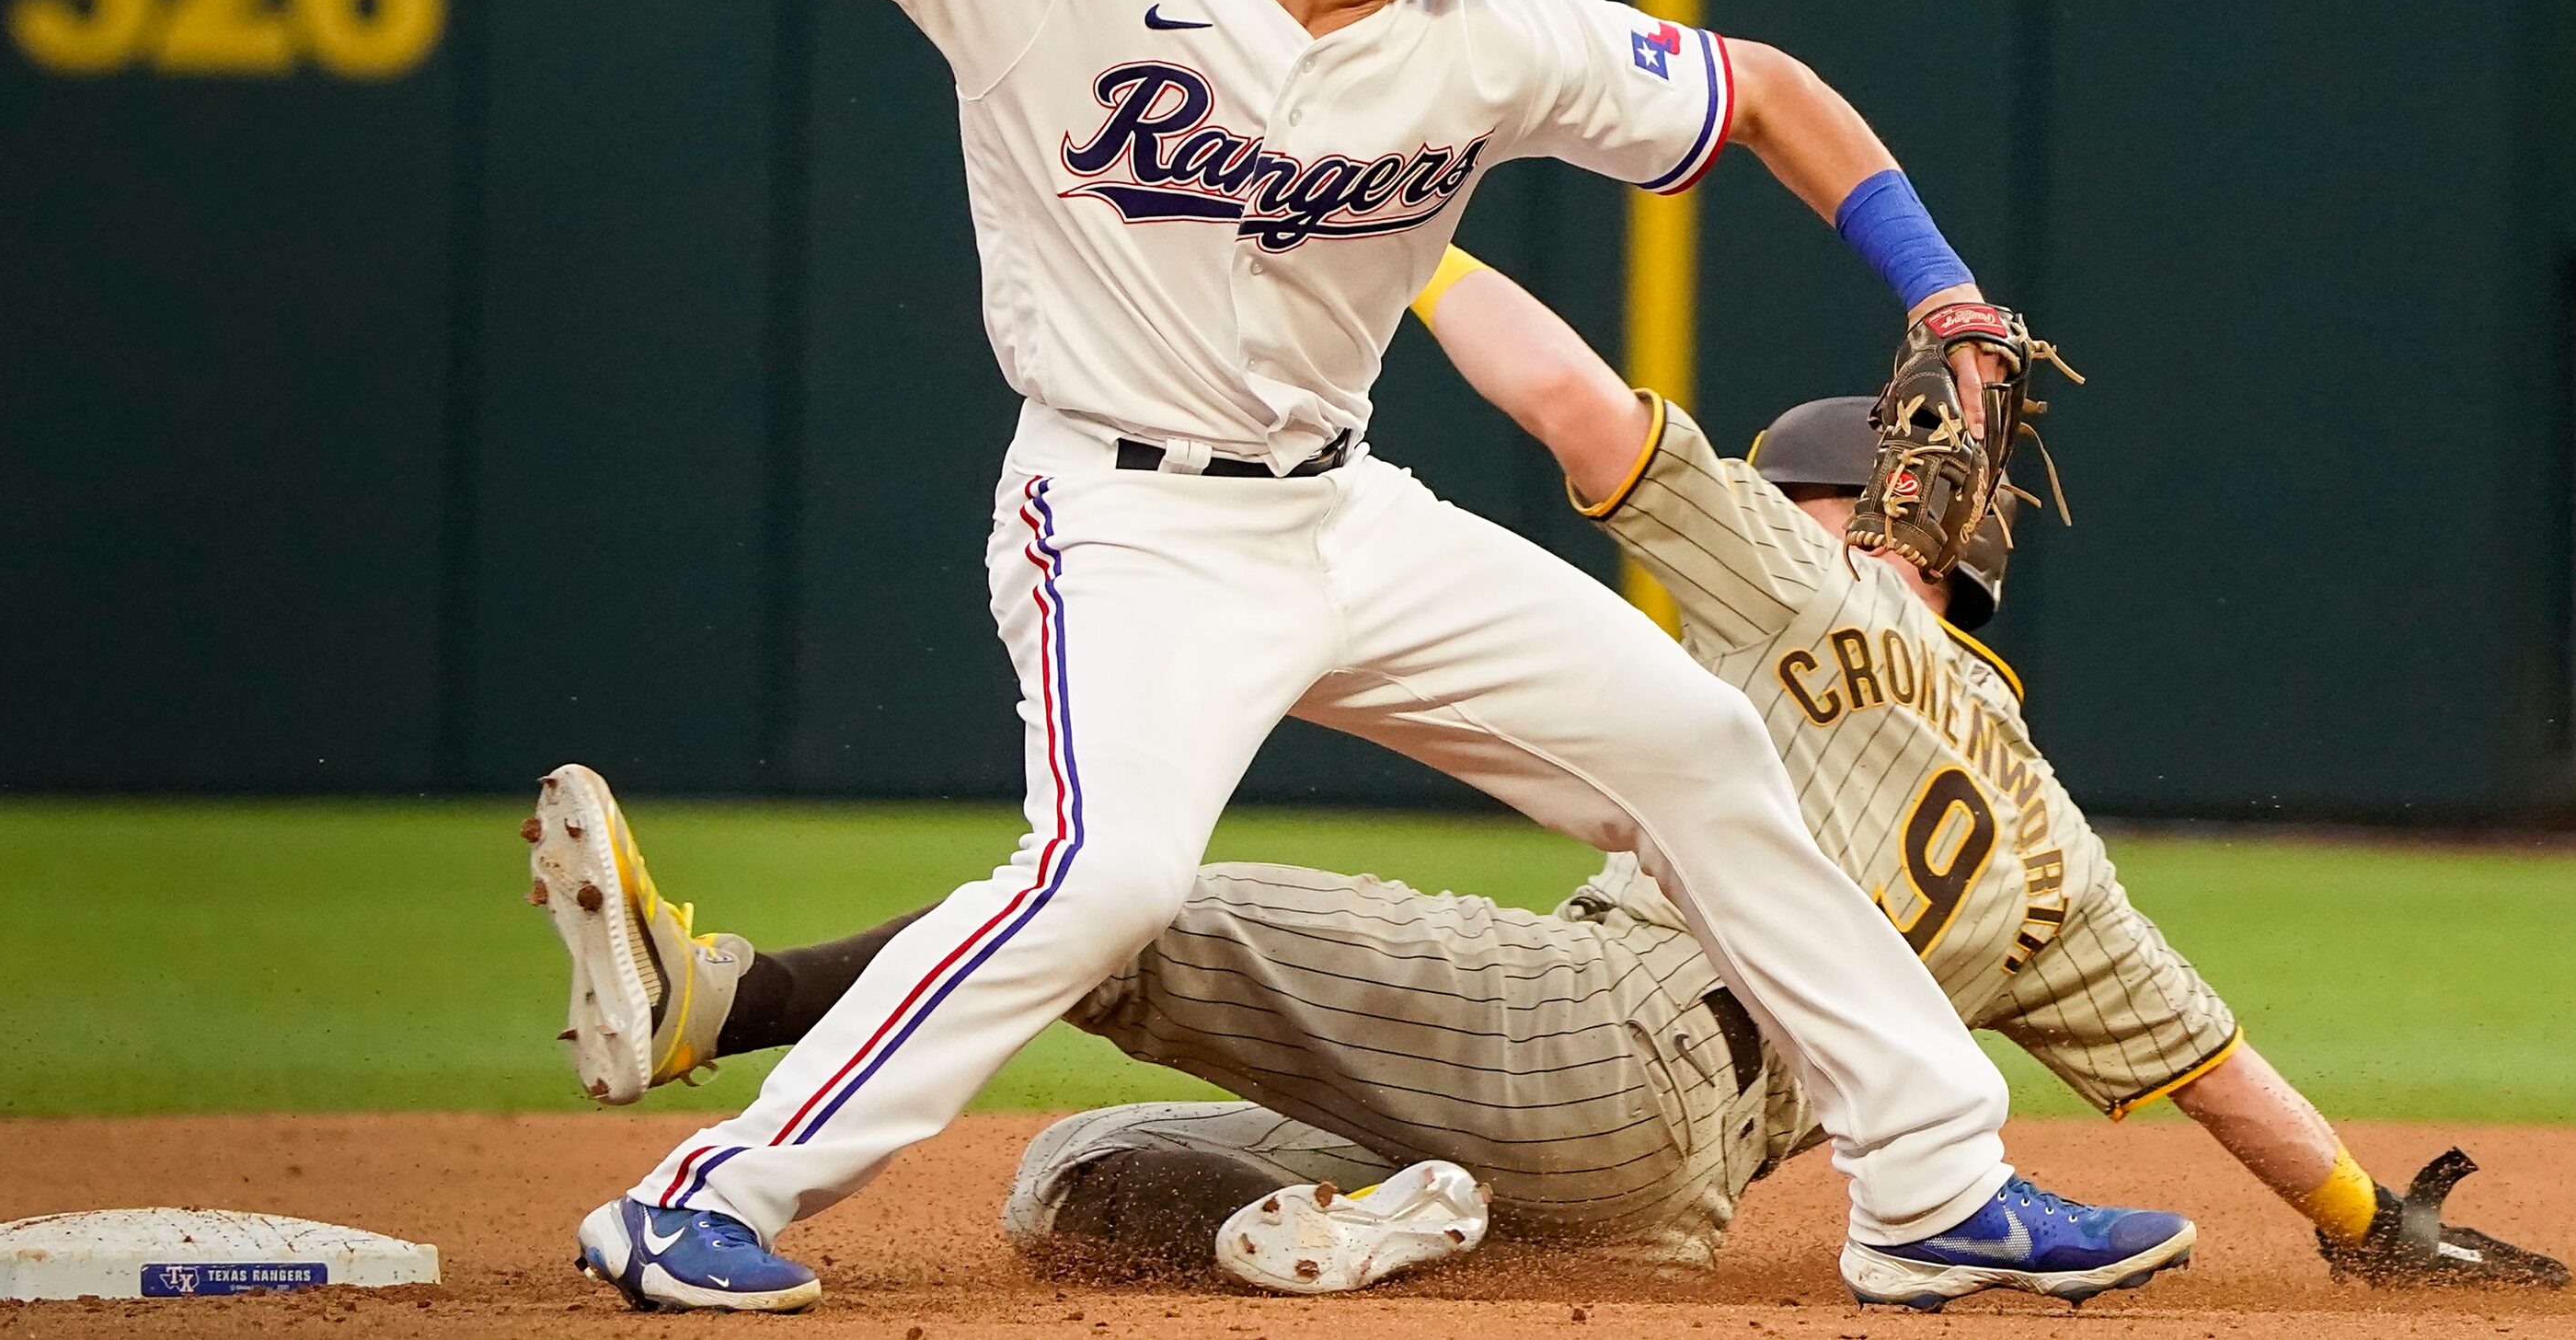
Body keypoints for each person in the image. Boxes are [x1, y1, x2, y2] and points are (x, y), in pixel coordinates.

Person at [530, 0, 2185, 1314]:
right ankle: (704, 1193)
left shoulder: (1489, 29)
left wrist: (1942, 284)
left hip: (1344, 508)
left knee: (1700, 739)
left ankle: (1930, 1189)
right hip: (1127, 521)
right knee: (1110, 879)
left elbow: (1762, 96)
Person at [535, 249, 2565, 1306]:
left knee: (1148, 899)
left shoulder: (1795, 580)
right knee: (1082, 1196)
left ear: (1846, 507)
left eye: (1805, 491)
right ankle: (1386, 1230)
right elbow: (2217, 1068)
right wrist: (2369, 1216)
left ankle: (708, 1000)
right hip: (1664, 1204)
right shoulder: (2046, 831)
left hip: (1604, 1031)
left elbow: (1577, 403)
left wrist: (1391, 237)